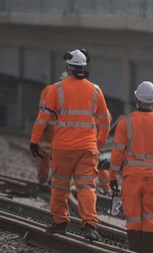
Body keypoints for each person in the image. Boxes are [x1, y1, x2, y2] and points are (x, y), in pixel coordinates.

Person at [29, 49, 111, 241]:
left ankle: (60, 222)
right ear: (84, 68)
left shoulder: (56, 89)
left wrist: (34, 141)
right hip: (87, 148)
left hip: (63, 148)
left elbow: (43, 118)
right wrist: (98, 142)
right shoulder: (96, 90)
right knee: (86, 187)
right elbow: (105, 121)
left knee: (59, 186)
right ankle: (90, 225)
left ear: (69, 68)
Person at [109, 81, 153, 253]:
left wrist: (112, 176)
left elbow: (117, 153)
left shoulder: (125, 122)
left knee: (133, 216)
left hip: (132, 178)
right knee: (151, 216)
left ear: (136, 98)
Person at [35, 72, 68, 184]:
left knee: (47, 154)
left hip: (51, 129)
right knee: (50, 154)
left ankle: (45, 178)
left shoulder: (49, 90)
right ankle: (47, 179)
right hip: (52, 129)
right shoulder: (52, 90)